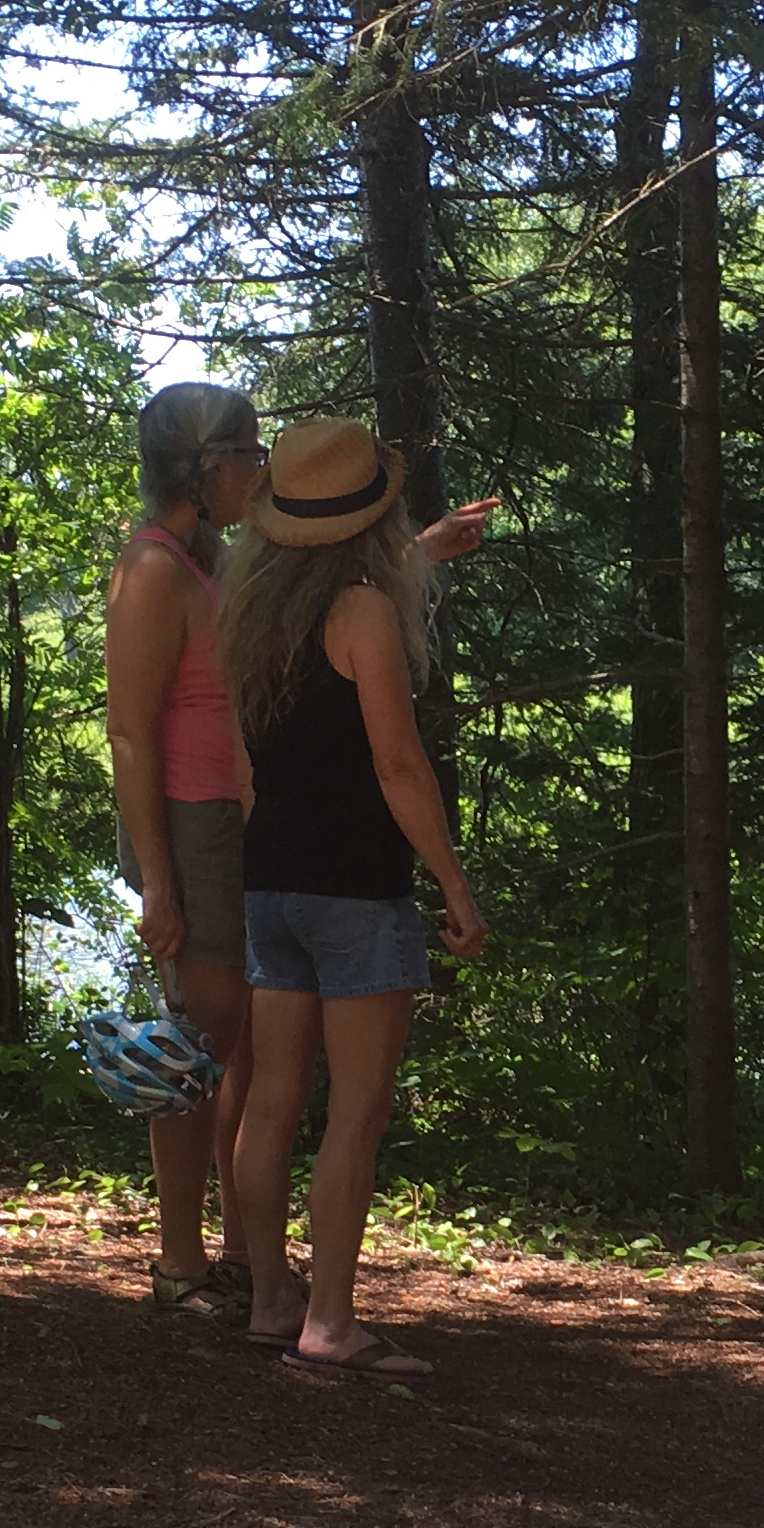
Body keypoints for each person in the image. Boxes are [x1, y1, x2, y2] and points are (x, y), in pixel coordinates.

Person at [218, 416, 491, 1376]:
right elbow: (396, 762)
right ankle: (331, 1324)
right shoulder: (365, 613)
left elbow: (268, 751)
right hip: (356, 891)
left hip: (273, 882)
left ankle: (269, 1300)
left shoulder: (251, 608)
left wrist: (424, 552)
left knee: (274, 1097)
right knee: (357, 1110)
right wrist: (454, 886)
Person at [103, 379, 270, 1312]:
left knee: (240, 1046)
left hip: (232, 828)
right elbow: (129, 732)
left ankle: (242, 1254)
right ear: (203, 470)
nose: (260, 468)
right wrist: (158, 883)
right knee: (195, 1050)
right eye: (246, 452)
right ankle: (178, 1264)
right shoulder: (154, 569)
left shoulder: (208, 558)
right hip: (191, 827)